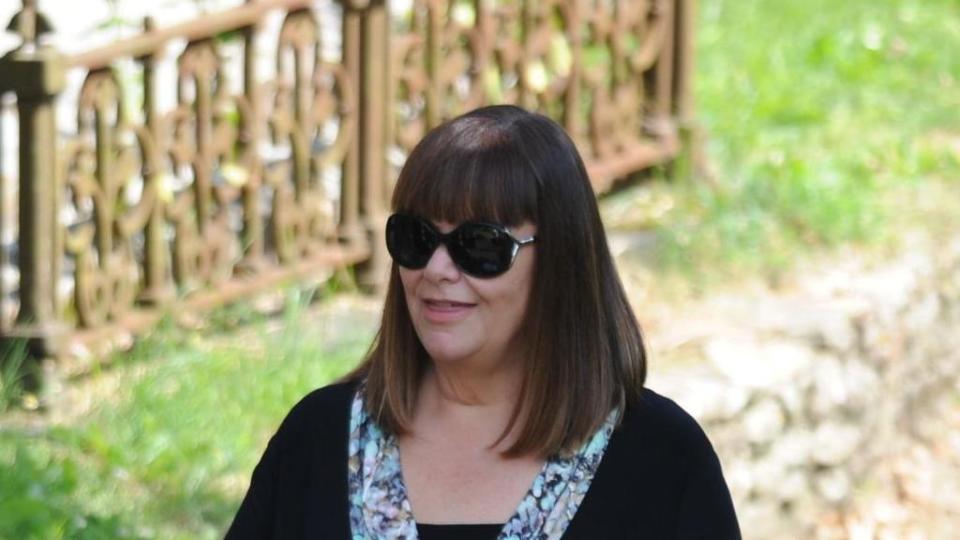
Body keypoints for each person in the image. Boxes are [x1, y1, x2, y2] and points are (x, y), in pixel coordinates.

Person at [226, 105, 741, 539]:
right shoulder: (318, 441)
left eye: (481, 245)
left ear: (560, 261)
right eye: (416, 238)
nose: (436, 270)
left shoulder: (661, 460)